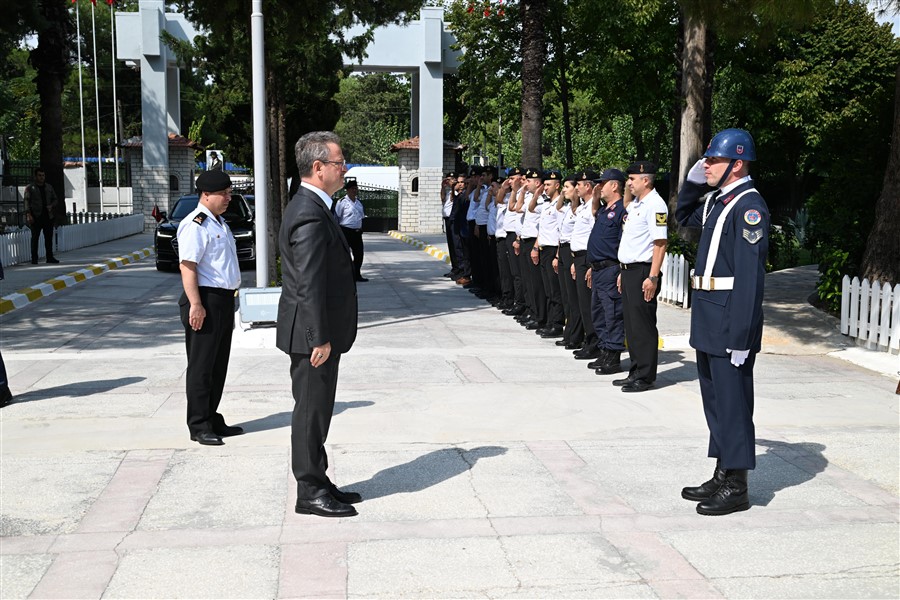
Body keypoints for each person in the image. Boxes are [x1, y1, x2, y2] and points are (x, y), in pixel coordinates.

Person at [676, 128, 769, 516]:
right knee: (715, 402)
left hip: (731, 320)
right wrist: (693, 181)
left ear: (738, 163)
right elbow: (683, 216)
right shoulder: (718, 200)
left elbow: (750, 279)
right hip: (709, 315)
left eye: (713, 160)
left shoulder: (749, 206)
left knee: (733, 403)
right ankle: (722, 470)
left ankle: (737, 486)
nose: (706, 165)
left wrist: (743, 335)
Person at [276, 131, 361, 518]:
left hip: (318, 332)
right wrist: (319, 338)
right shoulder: (309, 211)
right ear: (318, 167)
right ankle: (308, 490)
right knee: (310, 411)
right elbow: (308, 283)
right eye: (339, 162)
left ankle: (318, 478)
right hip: (313, 337)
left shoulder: (314, 204)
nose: (345, 168)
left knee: (319, 410)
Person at [176, 169, 244, 446]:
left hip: (223, 300)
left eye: (229, 192)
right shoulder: (196, 224)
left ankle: (211, 416)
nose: (229, 197)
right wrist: (196, 304)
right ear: (206, 195)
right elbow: (187, 266)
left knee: (218, 365)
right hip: (204, 300)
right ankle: (199, 424)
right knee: (202, 366)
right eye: (224, 193)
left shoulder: (219, 222)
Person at [615, 161, 668, 392]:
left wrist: (653, 277)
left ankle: (645, 376)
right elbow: (626, 204)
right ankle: (635, 370)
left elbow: (660, 243)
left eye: (632, 179)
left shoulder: (655, 205)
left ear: (645, 180)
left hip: (644, 272)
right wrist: (622, 271)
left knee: (643, 326)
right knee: (632, 325)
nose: (628, 183)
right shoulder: (637, 203)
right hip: (629, 271)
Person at [586, 169, 628, 375]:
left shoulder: (622, 210)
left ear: (614, 185)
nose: (599, 187)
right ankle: (604, 350)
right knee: (599, 313)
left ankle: (613, 356)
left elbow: (624, 241)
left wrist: (621, 270)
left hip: (611, 269)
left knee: (612, 313)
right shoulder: (603, 210)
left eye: (603, 183)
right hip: (598, 270)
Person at [570, 169, 601, 360]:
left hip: (586, 258)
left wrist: (589, 264)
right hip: (578, 258)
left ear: (587, 186)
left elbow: (593, 237)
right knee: (582, 303)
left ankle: (594, 343)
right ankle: (588, 341)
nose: (577, 188)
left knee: (589, 304)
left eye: (579, 185)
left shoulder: (593, 208)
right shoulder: (583, 207)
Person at [23, 167, 60, 264]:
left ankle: (50, 257)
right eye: (39, 175)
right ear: (35, 176)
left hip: (48, 216)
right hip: (35, 216)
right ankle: (34, 258)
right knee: (35, 238)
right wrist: (28, 214)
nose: (41, 177)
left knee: (48, 238)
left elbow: (55, 199)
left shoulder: (49, 187)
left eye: (43, 175)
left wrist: (51, 206)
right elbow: (26, 201)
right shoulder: (30, 188)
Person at [335, 178, 367, 282]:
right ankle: (344, 276)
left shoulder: (358, 203)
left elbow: (361, 217)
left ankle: (356, 274)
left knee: (359, 255)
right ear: (347, 190)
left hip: (357, 232)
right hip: (346, 231)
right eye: (352, 188)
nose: (354, 190)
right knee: (344, 255)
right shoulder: (342, 202)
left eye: (355, 188)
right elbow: (337, 217)